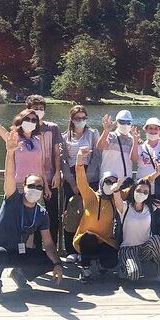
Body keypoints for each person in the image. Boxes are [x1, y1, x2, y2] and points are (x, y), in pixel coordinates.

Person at [0, 129, 63, 303]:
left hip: (19, 252)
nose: (35, 189)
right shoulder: (12, 200)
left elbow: (48, 243)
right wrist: (10, 152)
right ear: (24, 187)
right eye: (31, 186)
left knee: (47, 260)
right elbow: (9, 175)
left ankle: (18, 274)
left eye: (39, 187)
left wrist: (57, 263)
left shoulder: (41, 213)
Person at [0, 95, 63, 247]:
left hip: (35, 187)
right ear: (20, 121)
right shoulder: (14, 138)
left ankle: (26, 255)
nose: (30, 122)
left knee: (30, 223)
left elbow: (41, 166)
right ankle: (9, 251)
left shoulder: (37, 140)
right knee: (14, 220)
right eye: (27, 119)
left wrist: (46, 187)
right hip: (17, 186)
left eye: (33, 120)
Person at [105, 154, 160, 286]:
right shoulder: (125, 207)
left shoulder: (150, 207)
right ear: (133, 190)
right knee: (134, 275)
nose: (142, 193)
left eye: (146, 192)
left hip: (144, 248)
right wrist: (116, 190)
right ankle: (125, 267)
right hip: (128, 249)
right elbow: (117, 198)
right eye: (139, 190)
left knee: (157, 240)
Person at [60, 105, 101, 262]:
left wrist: (86, 180)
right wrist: (73, 182)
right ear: (71, 119)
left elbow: (97, 156)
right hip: (71, 177)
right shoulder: (65, 137)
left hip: (90, 176)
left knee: (90, 213)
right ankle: (71, 249)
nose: (81, 121)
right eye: (77, 118)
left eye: (84, 118)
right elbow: (63, 160)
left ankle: (88, 248)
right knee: (70, 213)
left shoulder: (93, 134)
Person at [72, 161, 124, 283]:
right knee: (88, 237)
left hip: (105, 241)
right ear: (101, 182)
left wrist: (154, 175)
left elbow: (136, 190)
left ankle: (101, 264)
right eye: (108, 181)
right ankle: (85, 269)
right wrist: (79, 161)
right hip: (86, 240)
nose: (111, 185)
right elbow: (81, 180)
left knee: (111, 262)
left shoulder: (116, 199)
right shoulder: (91, 196)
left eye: (114, 182)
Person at [97, 110, 139, 179]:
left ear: (131, 124)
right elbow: (100, 146)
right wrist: (106, 131)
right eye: (122, 122)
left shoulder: (133, 139)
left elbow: (134, 159)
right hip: (108, 180)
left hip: (126, 180)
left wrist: (135, 141)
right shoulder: (110, 135)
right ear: (116, 123)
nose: (125, 125)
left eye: (128, 122)